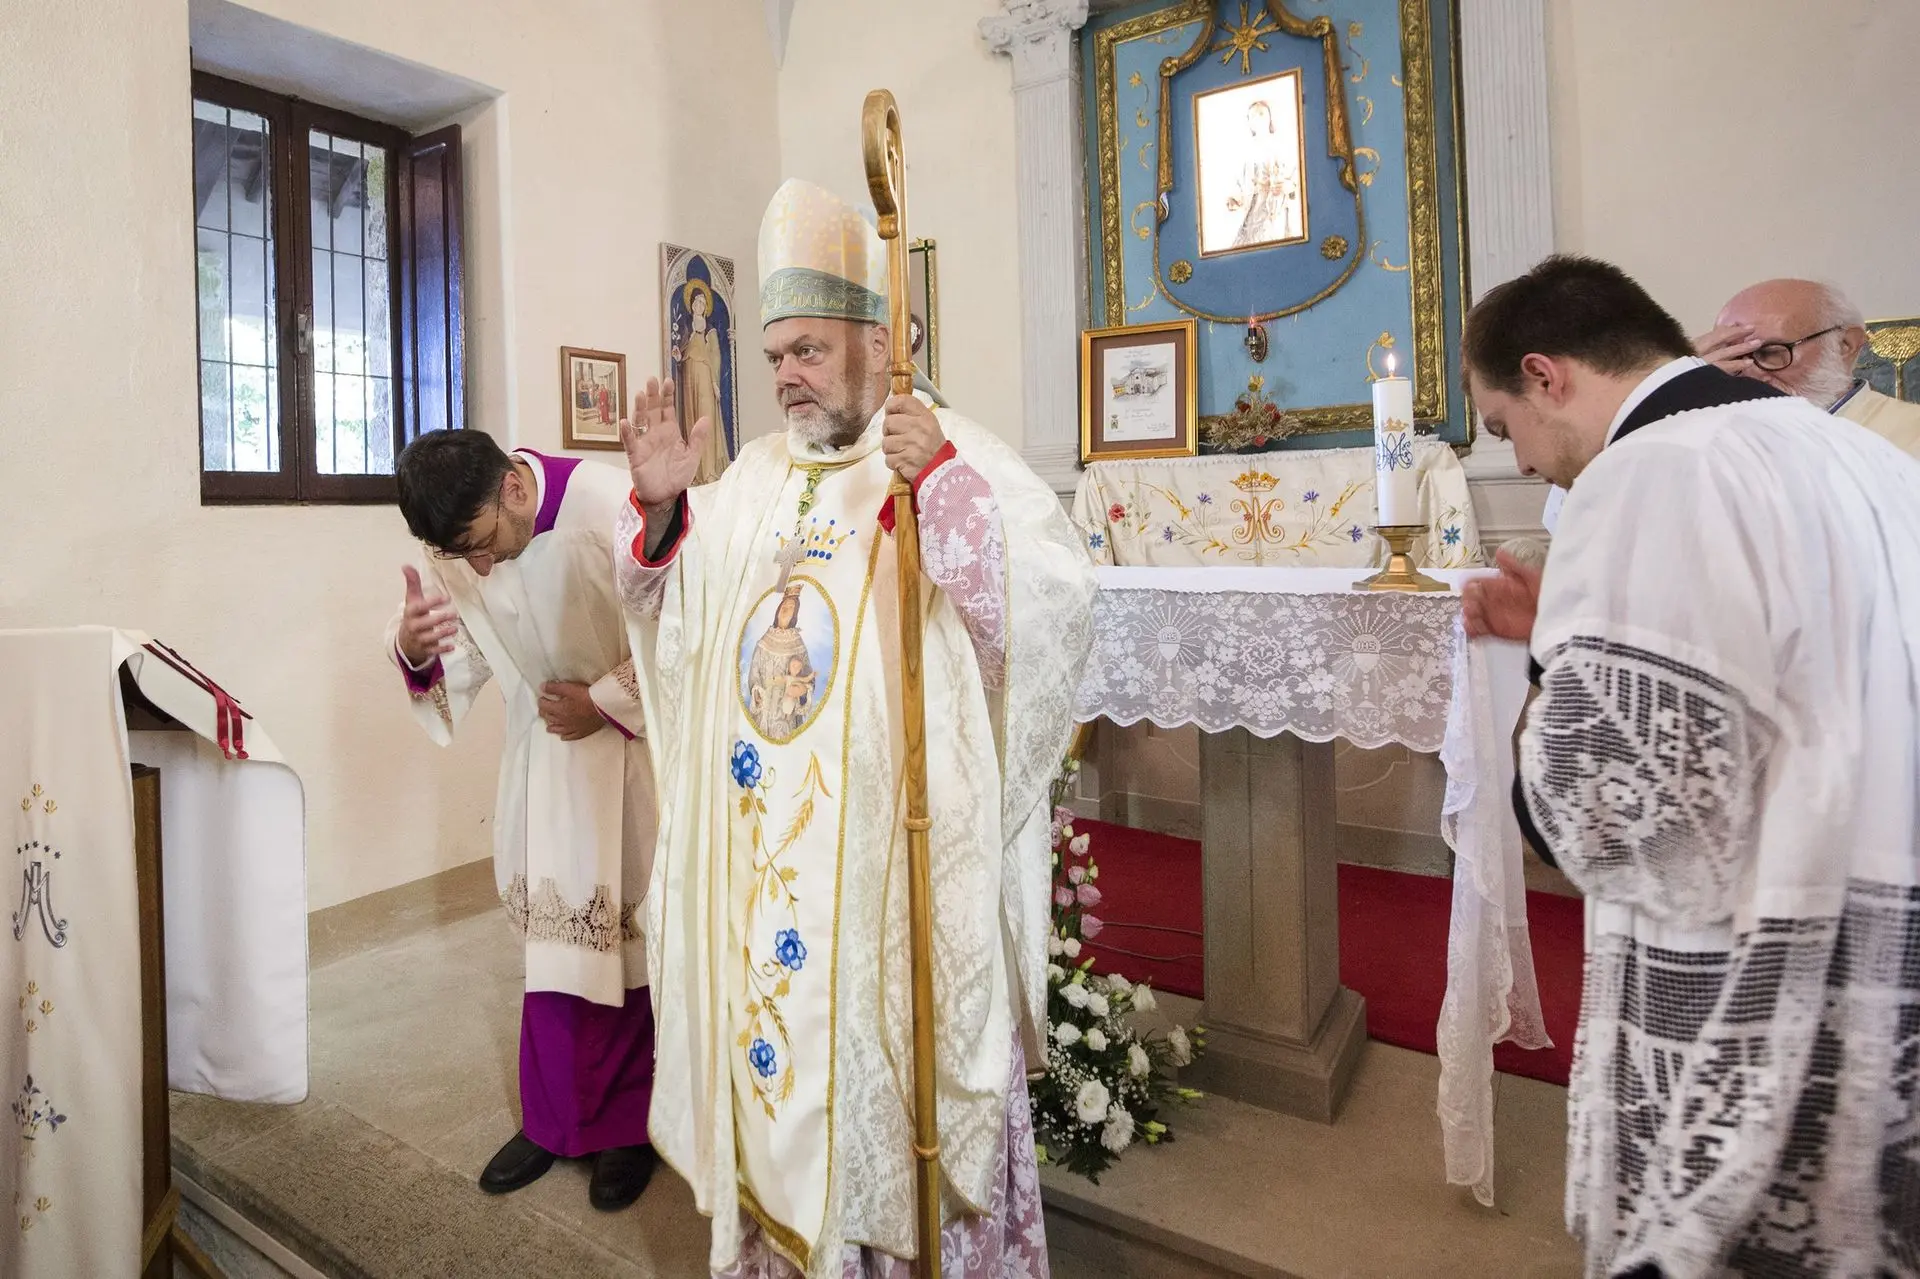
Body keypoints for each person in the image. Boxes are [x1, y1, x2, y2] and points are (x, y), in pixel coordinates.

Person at [612, 178, 1095, 1276]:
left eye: (809, 351)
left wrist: (952, 497)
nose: (785, 374)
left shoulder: (949, 452)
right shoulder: (750, 478)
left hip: (892, 876)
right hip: (764, 876)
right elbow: (679, 632)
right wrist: (663, 516)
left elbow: (1056, 608)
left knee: (889, 1091)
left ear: (880, 343)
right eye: (774, 353)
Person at [1459, 255, 1920, 1278]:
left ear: (1545, 375)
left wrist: (1554, 675)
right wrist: (1575, 631)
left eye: (1503, 425)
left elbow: (1615, 819)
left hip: (1754, 969)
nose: (1522, 461)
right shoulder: (1859, 453)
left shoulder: (1651, 469)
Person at [385, 430, 659, 1212]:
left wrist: (603, 702)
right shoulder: (462, 545)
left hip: (626, 756)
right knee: (550, 947)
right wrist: (414, 648)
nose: (478, 566)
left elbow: (680, 627)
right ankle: (553, 1122)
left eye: (481, 544)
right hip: (540, 761)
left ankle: (628, 1131)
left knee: (626, 950)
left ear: (512, 486)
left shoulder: (606, 504)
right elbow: (468, 654)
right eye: (457, 555)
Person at [1697, 277, 1920, 457]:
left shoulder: (1910, 436)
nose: (1749, 372)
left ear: (1845, 345)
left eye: (1770, 352)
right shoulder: (1710, 439)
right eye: (1731, 356)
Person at [677, 279, 733, 484]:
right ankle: (694, 472)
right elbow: (680, 350)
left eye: (702, 302)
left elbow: (715, 357)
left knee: (705, 420)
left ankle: (709, 471)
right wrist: (678, 352)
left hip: (706, 376)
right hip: (688, 375)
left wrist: (715, 383)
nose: (699, 305)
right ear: (691, 304)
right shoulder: (685, 326)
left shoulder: (710, 329)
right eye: (696, 301)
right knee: (691, 421)